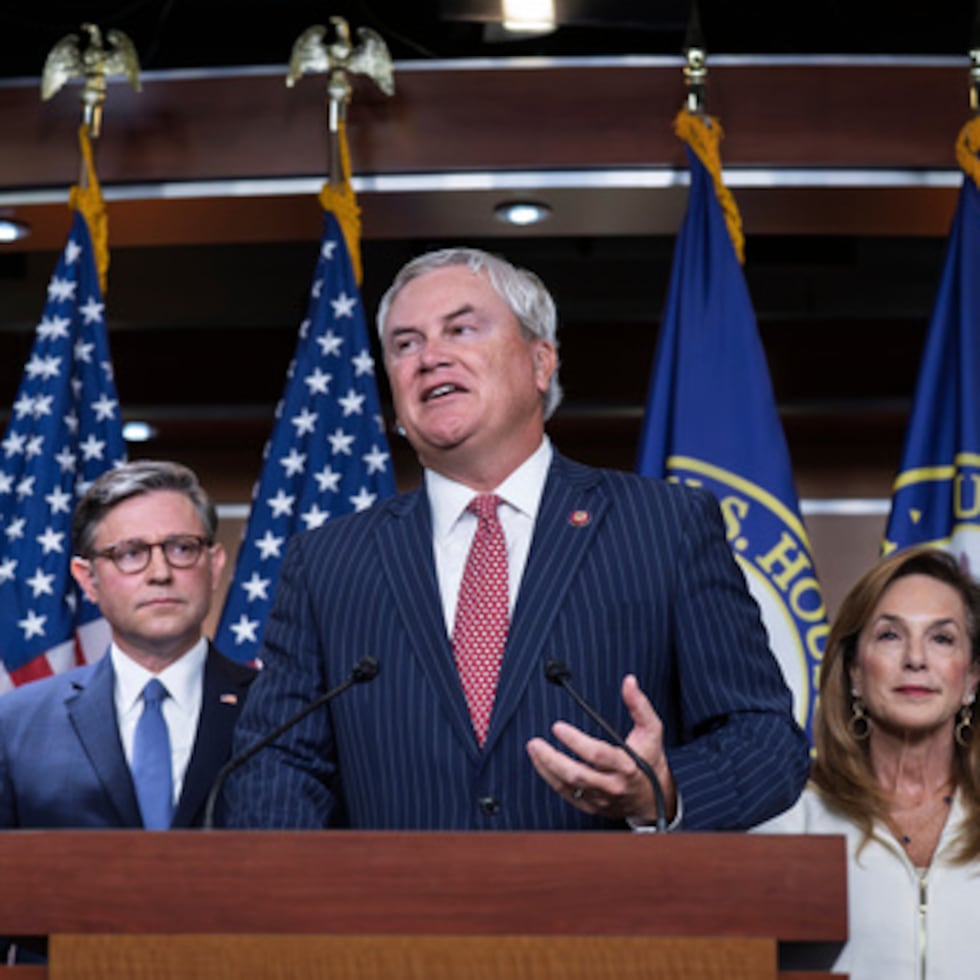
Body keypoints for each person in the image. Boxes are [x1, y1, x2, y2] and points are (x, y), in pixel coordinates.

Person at [224, 246, 809, 831]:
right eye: (405, 344)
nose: (429, 357)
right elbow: (276, 764)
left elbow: (764, 738)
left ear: (540, 361)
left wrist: (662, 789)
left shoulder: (665, 526)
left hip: (613, 912)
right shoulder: (327, 562)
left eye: (462, 329)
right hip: (396, 916)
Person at [753, 545, 980, 979]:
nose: (916, 659)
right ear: (855, 673)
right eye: (890, 635)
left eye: (942, 638)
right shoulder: (793, 820)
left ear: (970, 679)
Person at [0, 459, 257, 830]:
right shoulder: (15, 725)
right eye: (130, 554)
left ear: (214, 565)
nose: (160, 573)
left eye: (182, 548)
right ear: (88, 580)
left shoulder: (276, 709)